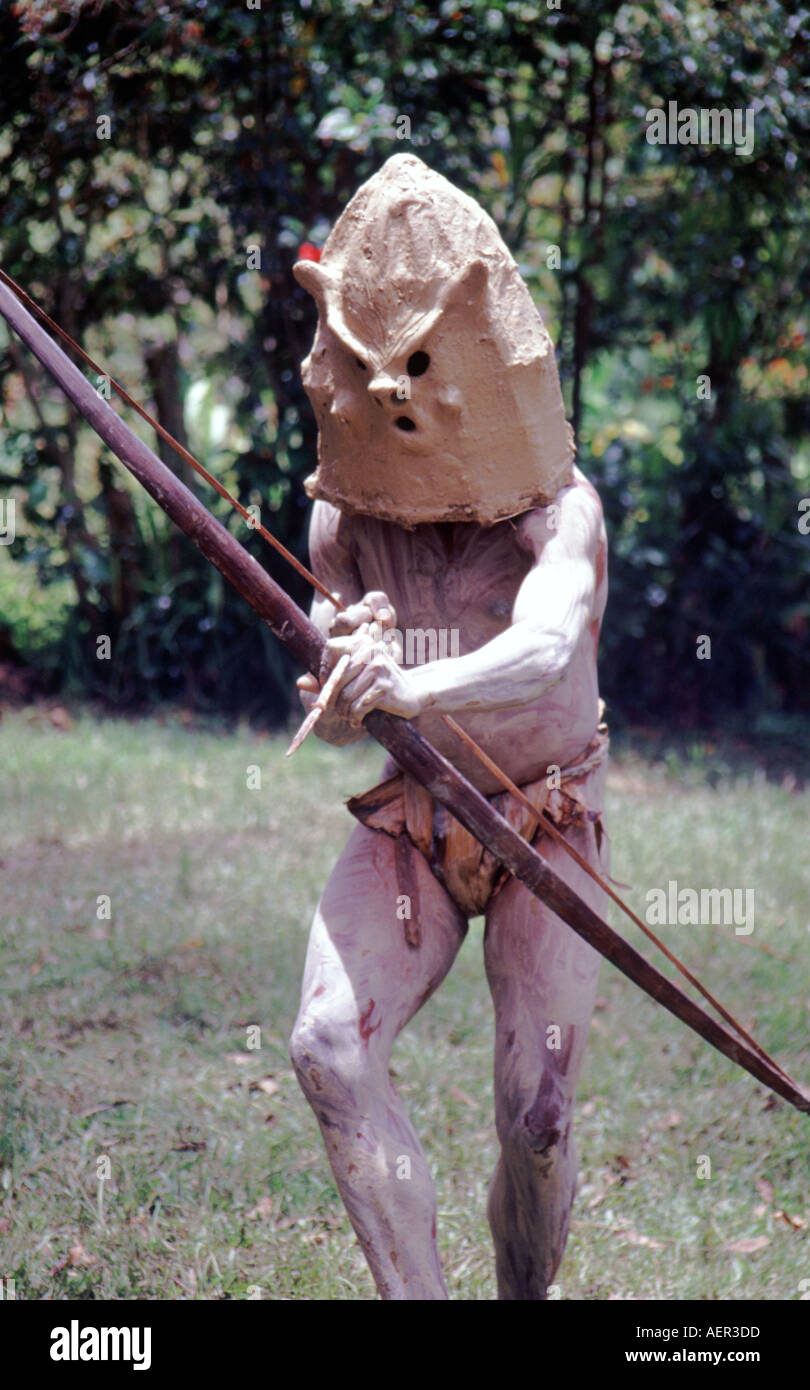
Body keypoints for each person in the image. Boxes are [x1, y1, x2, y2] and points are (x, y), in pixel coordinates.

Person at [289, 154, 609, 1300]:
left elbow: (547, 648)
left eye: (425, 364)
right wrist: (344, 682)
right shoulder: (339, 518)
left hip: (546, 821)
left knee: (538, 1111)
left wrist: (413, 689)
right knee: (329, 1046)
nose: (402, 396)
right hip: (413, 822)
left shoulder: (557, 509)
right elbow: (337, 727)